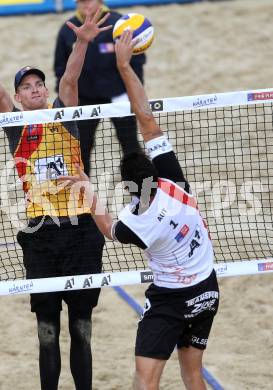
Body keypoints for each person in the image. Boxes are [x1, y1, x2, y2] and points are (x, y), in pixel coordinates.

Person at [0, 10, 111, 390]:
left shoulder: (66, 113)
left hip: (83, 230)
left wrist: (83, 41)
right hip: (42, 236)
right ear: (20, 97)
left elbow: (70, 77)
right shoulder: (16, 126)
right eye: (28, 87)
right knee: (47, 333)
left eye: (39, 84)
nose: (35, 89)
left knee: (82, 331)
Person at [60, 30, 220, 390]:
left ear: (128, 188)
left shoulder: (138, 223)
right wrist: (124, 65)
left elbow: (106, 227)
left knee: (145, 381)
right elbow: (146, 119)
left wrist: (84, 182)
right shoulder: (175, 184)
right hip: (208, 289)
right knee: (193, 374)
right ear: (154, 172)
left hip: (171, 301)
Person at [54, 0, 145, 175]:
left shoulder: (120, 24)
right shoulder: (68, 29)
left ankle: (143, 189)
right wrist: (65, 102)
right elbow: (60, 69)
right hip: (85, 98)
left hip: (119, 94)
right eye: (81, 1)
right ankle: (83, 193)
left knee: (130, 144)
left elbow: (137, 60)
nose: (86, 4)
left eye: (90, 0)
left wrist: (135, 92)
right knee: (81, 148)